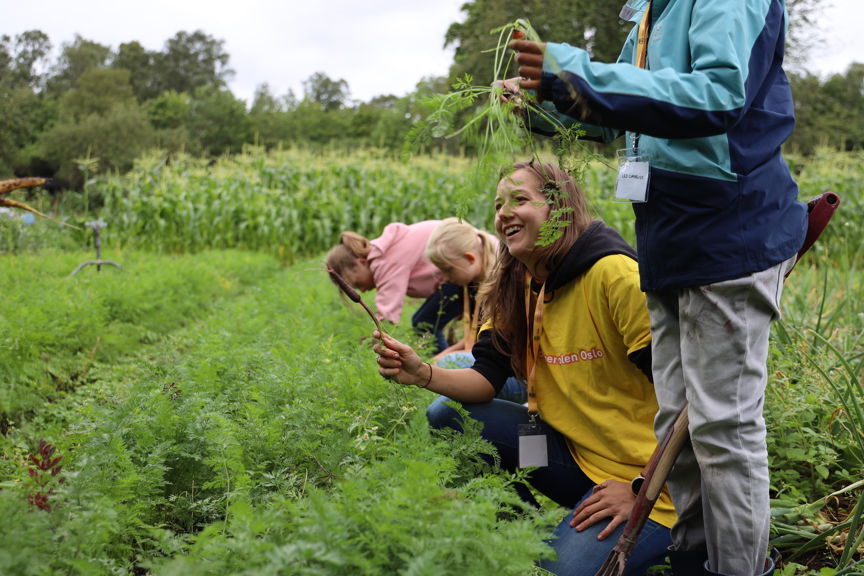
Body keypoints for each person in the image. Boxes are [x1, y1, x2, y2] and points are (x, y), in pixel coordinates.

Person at [505, 2, 808, 574]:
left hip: (727, 234)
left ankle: (739, 568)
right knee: (676, 428)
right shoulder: (652, 12)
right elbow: (619, 117)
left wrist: (573, 70)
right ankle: (694, 559)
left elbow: (718, 95)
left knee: (723, 426)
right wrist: (543, 104)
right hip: (669, 241)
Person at [373, 161, 675, 576]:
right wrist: (422, 373)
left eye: (519, 199)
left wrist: (641, 489)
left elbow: (690, 402)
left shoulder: (615, 274)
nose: (503, 213)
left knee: (557, 571)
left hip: (653, 481)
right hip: (578, 458)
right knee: (448, 414)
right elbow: (485, 380)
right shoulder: (517, 283)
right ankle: (527, 531)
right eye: (499, 204)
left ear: (560, 207)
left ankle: (622, 540)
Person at [424, 217, 527, 403]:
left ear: (470, 258)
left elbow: (491, 347)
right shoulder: (472, 285)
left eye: (448, 270)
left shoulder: (501, 286)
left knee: (448, 364)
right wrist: (438, 357)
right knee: (443, 362)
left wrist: (440, 360)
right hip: (496, 368)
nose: (445, 278)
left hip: (518, 377)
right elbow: (476, 339)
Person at [326, 220, 463, 353]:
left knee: (425, 323)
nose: (361, 290)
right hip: (458, 264)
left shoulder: (385, 261)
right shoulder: (384, 252)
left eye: (358, 284)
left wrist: (373, 344)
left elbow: (387, 315)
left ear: (361, 262)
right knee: (422, 321)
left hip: (461, 265)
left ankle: (442, 365)